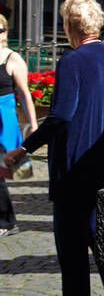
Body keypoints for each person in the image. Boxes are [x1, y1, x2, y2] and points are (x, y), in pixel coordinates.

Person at [0, 0, 104, 296]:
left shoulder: (71, 61)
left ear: (68, 26)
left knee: (73, 244)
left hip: (76, 168)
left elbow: (59, 117)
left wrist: (23, 149)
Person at [0, 15, 38, 236]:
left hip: (3, 119)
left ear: (5, 32)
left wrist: (33, 124)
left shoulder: (13, 59)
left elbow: (25, 96)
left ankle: (7, 222)